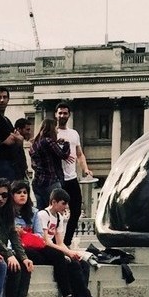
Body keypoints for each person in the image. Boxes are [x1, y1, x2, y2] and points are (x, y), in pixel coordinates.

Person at [36, 188, 107, 297]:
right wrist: (67, 253)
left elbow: (60, 242)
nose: (66, 207)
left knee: (83, 264)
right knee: (72, 264)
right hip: (43, 250)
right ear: (54, 202)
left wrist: (71, 252)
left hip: (54, 249)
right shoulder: (42, 215)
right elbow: (46, 241)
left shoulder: (59, 217)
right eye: (63, 203)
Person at [55, 102, 92, 246]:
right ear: (56, 114)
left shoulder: (74, 133)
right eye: (60, 113)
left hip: (71, 178)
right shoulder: (52, 132)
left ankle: (67, 241)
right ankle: (54, 241)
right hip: (57, 178)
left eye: (65, 113)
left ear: (69, 115)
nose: (62, 116)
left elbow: (79, 154)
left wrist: (85, 169)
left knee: (76, 211)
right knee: (55, 211)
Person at [29, 119, 73, 210]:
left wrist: (56, 142)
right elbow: (63, 155)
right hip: (51, 180)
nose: (57, 131)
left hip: (37, 181)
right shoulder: (48, 141)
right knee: (56, 209)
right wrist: (66, 144)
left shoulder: (34, 144)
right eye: (56, 128)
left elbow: (43, 155)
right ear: (51, 129)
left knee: (41, 211)